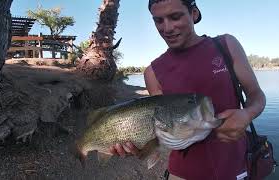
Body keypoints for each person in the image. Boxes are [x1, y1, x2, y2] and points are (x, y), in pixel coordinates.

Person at [110, 0, 266, 179]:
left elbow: (256, 95)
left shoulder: (226, 45)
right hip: (182, 174)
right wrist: (138, 146)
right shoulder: (152, 72)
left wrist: (248, 114)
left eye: (175, 17)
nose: (167, 28)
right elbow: (161, 133)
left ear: (194, 13)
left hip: (236, 168)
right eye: (158, 21)